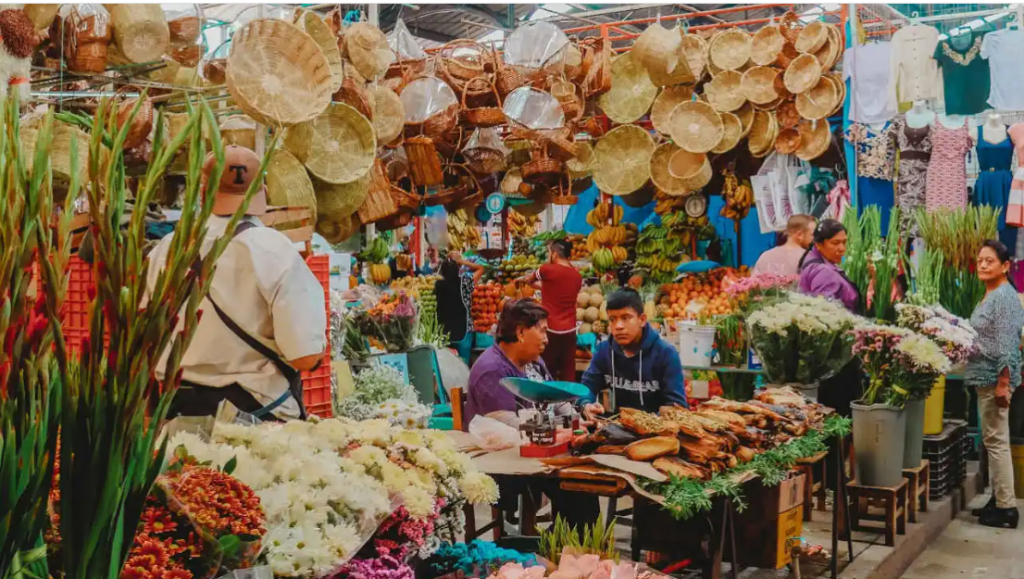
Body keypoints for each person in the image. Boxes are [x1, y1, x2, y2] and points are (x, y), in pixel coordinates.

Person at [147, 145, 327, 420]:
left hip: (178, 412)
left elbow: (146, 335)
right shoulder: (277, 251)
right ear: (263, 193)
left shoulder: (168, 249)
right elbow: (304, 357)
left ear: (204, 192)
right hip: (256, 416)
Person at [465, 299, 599, 527]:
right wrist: (560, 429)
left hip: (542, 451)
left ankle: (564, 548)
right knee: (578, 495)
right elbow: (507, 424)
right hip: (508, 463)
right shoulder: (492, 369)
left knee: (584, 488)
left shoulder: (533, 362)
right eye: (543, 331)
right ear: (520, 332)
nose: (547, 339)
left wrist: (577, 420)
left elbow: (556, 398)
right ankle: (560, 551)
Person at [966, 240, 1024, 529]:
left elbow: (1007, 344)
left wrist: (1004, 382)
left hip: (994, 378)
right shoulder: (992, 294)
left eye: (990, 260)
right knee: (992, 440)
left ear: (1005, 266)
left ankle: (1006, 509)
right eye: (980, 260)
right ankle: (998, 497)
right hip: (986, 377)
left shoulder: (1004, 297)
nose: (983, 264)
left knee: (997, 441)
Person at [579, 289, 688, 417]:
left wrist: (646, 424)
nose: (618, 326)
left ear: (642, 320)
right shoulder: (604, 350)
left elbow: (676, 405)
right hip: (612, 428)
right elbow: (587, 388)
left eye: (626, 318)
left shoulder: (666, 354)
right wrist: (586, 405)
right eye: (612, 319)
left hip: (656, 432)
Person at [518, 239, 583, 382]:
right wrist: (547, 287)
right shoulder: (577, 276)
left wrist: (533, 282)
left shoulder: (547, 269)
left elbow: (530, 280)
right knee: (568, 371)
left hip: (550, 329)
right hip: (570, 330)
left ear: (554, 254)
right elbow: (561, 290)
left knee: (548, 370)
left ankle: (549, 402)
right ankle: (569, 403)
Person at [798, 218, 860, 313]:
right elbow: (825, 314)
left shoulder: (814, 259)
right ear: (819, 245)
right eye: (835, 243)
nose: (842, 248)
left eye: (844, 242)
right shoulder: (823, 271)